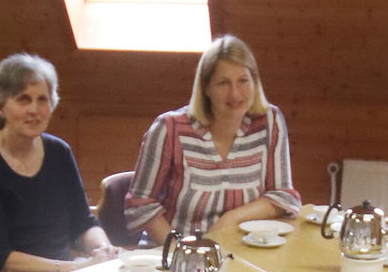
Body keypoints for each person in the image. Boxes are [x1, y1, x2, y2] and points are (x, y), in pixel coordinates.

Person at [0, 53, 117, 272]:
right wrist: (76, 269)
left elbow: (82, 222)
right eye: (23, 99)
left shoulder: (59, 152)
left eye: (42, 100)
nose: (35, 110)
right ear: (0, 106)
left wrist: (104, 250)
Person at [125, 34, 301, 244]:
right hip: (173, 254)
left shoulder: (270, 121)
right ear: (206, 88)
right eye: (223, 83)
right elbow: (140, 204)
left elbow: (283, 196)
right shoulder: (169, 129)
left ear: (255, 82)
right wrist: (181, 253)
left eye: (243, 81)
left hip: (244, 250)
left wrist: (231, 218)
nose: (235, 93)